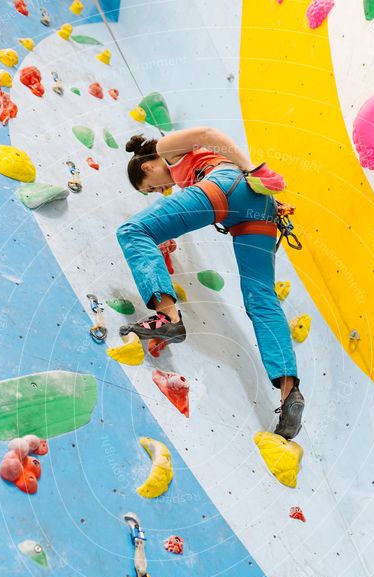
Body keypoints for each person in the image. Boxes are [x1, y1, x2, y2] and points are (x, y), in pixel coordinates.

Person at [116, 126, 305, 439]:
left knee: (133, 231)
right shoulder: (185, 174)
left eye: (149, 188)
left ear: (147, 167)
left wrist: (250, 169)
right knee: (261, 297)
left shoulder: (164, 148)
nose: (158, 192)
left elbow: (207, 133)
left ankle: (168, 317)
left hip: (229, 185)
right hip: (259, 207)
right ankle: (289, 394)